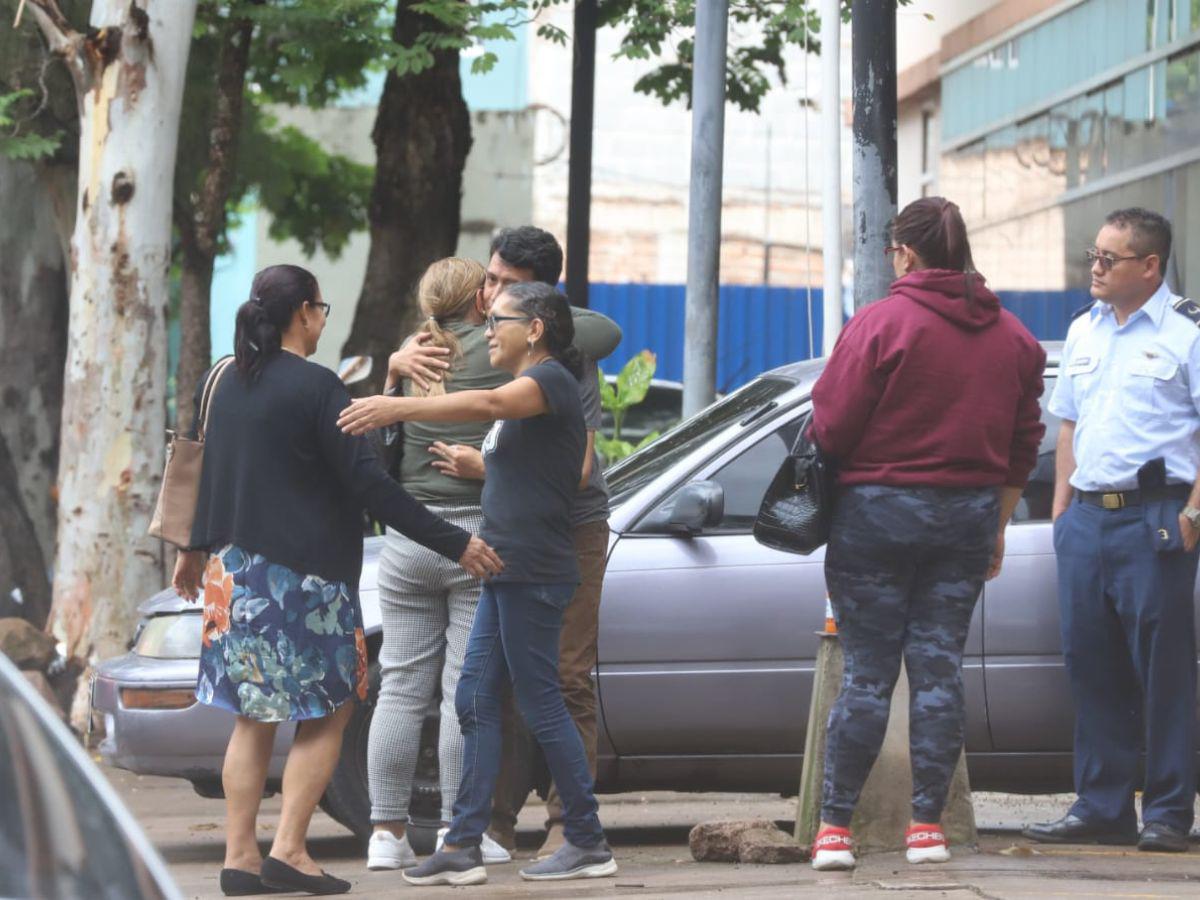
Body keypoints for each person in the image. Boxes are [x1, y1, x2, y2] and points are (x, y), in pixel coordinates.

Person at [171, 264, 503, 897]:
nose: (323, 319)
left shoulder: (222, 377)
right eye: (321, 308)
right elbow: (372, 484)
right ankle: (291, 849)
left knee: (252, 718)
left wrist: (191, 549)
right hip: (305, 580)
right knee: (329, 712)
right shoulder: (318, 387)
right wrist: (457, 543)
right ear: (302, 314)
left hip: (230, 573)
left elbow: (201, 465)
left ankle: (240, 857)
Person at [338, 282, 618, 886]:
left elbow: (490, 407)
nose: (488, 329)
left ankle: (588, 839)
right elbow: (504, 447)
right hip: (500, 566)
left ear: (536, 328)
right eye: (485, 318)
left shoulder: (548, 382)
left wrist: (398, 408)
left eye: (499, 320)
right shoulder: (525, 391)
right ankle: (462, 843)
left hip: (534, 569)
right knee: (470, 700)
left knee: (541, 703)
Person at [807, 198, 1045, 871]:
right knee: (939, 670)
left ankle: (833, 833)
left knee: (868, 675)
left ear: (905, 253)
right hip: (968, 515)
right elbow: (1022, 444)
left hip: (877, 516)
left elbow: (832, 425)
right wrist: (995, 526)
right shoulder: (1016, 340)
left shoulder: (880, 324)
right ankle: (926, 831)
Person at [1023, 208, 1200, 853]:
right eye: (1093, 255)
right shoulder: (1084, 332)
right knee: (1090, 663)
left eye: (1109, 258)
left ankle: (1168, 811)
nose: (1094, 268)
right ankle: (1101, 805)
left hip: (1156, 516)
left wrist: (1192, 515)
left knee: (1163, 669)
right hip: (1088, 520)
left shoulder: (1188, 333)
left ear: (1149, 266)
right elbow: (1068, 425)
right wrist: (1063, 510)